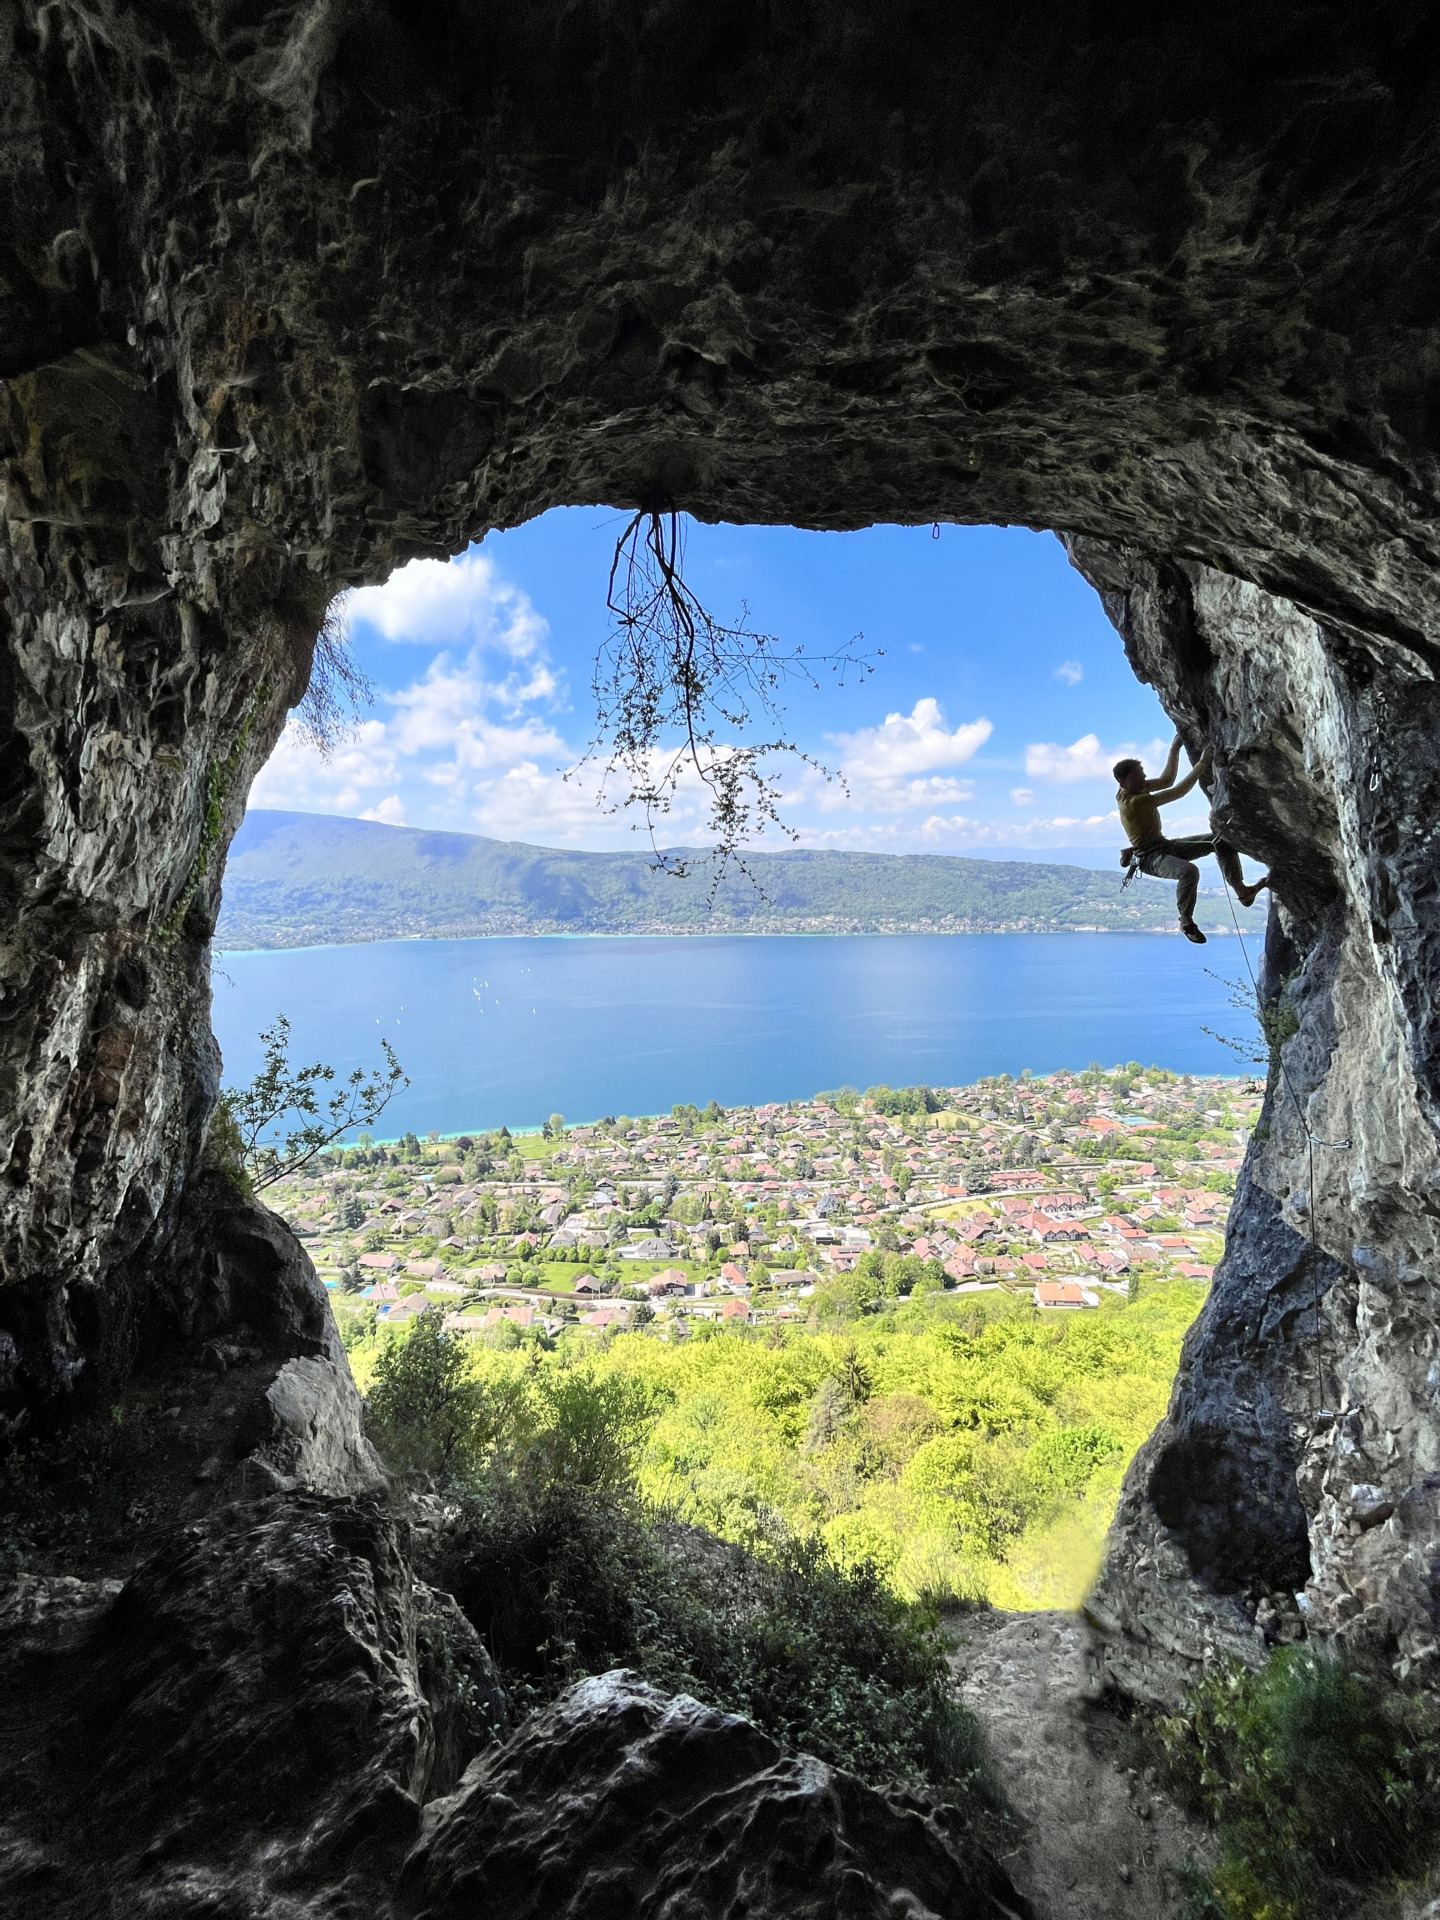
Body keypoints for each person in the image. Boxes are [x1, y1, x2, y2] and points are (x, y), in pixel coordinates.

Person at [1114, 734, 1268, 945]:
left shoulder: (1129, 789)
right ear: (1124, 781)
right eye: (1139, 775)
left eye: (1142, 773)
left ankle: (1241, 890)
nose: (1144, 777)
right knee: (1188, 871)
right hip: (1150, 858)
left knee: (1220, 841)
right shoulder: (1134, 802)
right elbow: (1178, 791)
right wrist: (1203, 763)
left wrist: (1175, 748)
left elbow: (1166, 780)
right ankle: (1186, 921)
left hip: (1163, 846)